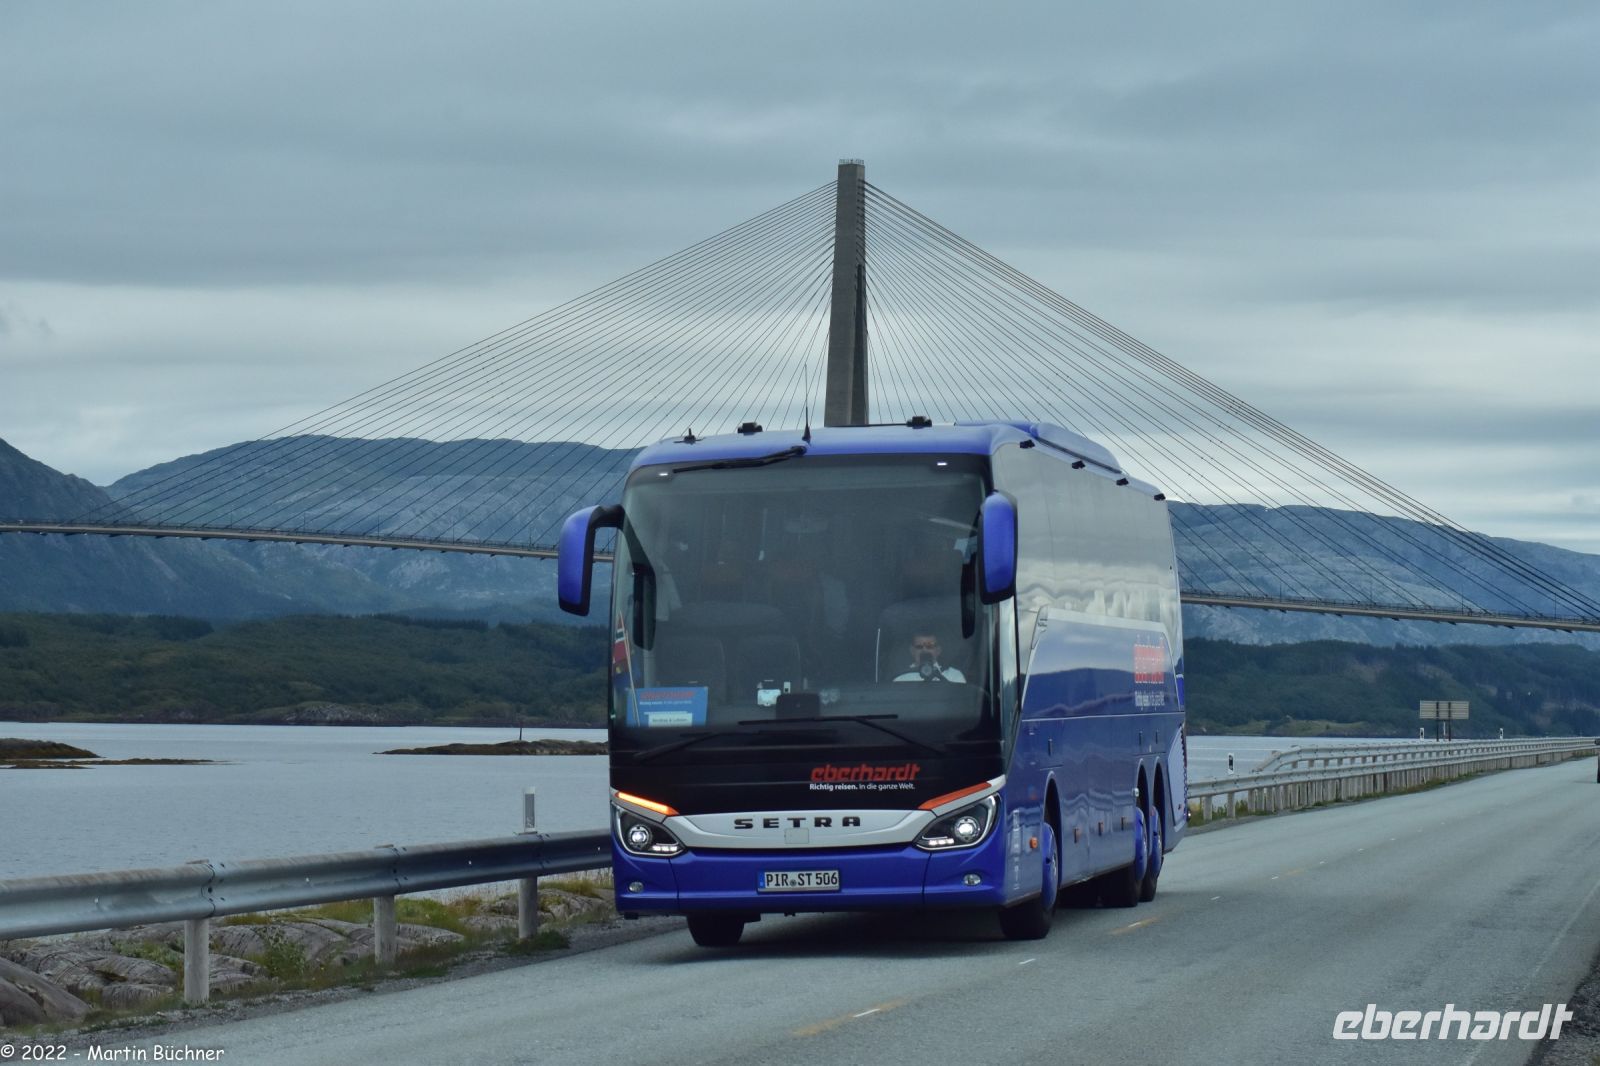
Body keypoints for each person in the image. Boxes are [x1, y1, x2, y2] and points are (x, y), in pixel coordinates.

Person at [893, 632, 965, 683]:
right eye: (919, 647)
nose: (924, 650)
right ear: (912, 651)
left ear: (938, 650)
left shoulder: (954, 676)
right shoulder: (901, 678)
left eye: (930, 646)